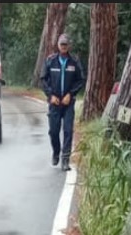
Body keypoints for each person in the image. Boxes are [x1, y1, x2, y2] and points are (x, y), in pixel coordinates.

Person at [41, 33, 86, 171]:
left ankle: (65, 159)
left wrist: (70, 94)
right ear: (58, 45)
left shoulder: (74, 61)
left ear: (69, 46)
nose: (64, 46)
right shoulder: (50, 60)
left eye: (66, 44)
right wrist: (50, 95)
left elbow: (80, 80)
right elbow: (43, 79)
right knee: (53, 131)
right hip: (54, 103)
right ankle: (56, 152)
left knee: (68, 131)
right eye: (62, 44)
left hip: (68, 103)